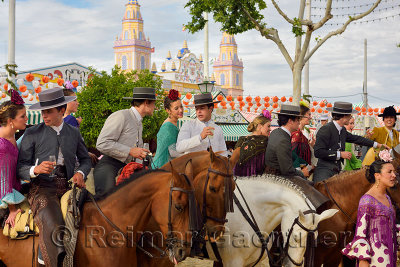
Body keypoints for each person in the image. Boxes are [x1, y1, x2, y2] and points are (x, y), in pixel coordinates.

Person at [17, 87, 91, 267]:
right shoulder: (32, 132)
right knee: (56, 226)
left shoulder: (73, 132)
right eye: (43, 111)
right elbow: (20, 168)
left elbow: (85, 160)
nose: (44, 115)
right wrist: (36, 169)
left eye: (48, 111)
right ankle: (48, 263)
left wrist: (80, 173)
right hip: (41, 188)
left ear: (62, 111)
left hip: (69, 186)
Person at [94, 87, 155, 195]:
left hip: (128, 167)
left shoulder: (139, 121)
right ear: (146, 102)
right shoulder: (121, 115)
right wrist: (130, 151)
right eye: (154, 103)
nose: (155, 107)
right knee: (110, 198)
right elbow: (101, 143)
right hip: (109, 165)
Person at [342, 155, 398, 266]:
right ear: (377, 176)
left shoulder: (387, 198)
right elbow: (361, 235)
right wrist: (363, 262)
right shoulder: (366, 200)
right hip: (376, 258)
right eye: (389, 172)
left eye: (394, 172)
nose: (394, 175)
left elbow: (390, 226)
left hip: (390, 256)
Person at [314, 101, 388, 182]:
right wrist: (340, 154)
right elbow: (318, 152)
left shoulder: (342, 130)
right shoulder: (326, 129)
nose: (351, 117)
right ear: (345, 116)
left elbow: (357, 139)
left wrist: (378, 145)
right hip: (324, 170)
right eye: (350, 115)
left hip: (337, 171)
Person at [0, 91, 27, 227]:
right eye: (23, 116)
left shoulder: (10, 136)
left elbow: (17, 147)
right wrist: (12, 210)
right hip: (5, 196)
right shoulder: (2, 146)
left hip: (16, 187)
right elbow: (3, 180)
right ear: (10, 121)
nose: (26, 119)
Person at [265, 104, 307, 177]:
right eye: (298, 120)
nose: (299, 122)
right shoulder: (283, 140)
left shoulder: (276, 132)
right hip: (277, 179)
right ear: (290, 121)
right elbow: (287, 170)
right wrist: (302, 173)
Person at [152, 89, 183, 168]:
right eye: (176, 108)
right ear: (168, 110)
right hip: (161, 167)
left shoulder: (174, 123)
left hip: (168, 165)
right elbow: (172, 152)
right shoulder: (169, 127)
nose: (181, 110)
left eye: (181, 107)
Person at [234, 110, 271, 176]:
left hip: (240, 179)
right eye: (268, 126)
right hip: (257, 180)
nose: (270, 129)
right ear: (260, 126)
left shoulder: (242, 139)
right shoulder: (266, 141)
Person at [291, 101, 315, 170]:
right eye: (309, 115)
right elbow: (294, 157)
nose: (310, 117)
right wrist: (308, 167)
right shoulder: (297, 135)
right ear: (301, 116)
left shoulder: (300, 134)